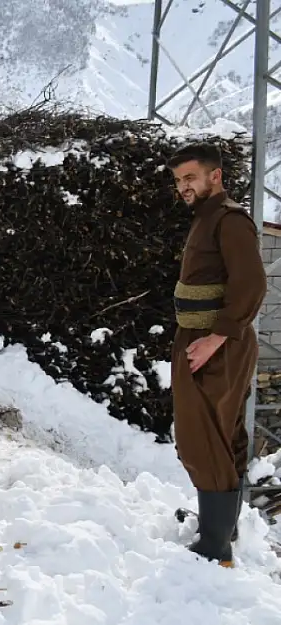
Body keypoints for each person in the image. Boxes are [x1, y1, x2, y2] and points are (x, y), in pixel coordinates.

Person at [168, 142, 266, 568]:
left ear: (215, 175)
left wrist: (216, 338)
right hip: (202, 337)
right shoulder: (205, 219)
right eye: (178, 181)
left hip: (217, 344)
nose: (182, 187)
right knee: (222, 435)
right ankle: (224, 531)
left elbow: (251, 284)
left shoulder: (230, 221)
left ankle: (214, 547)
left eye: (190, 177)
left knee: (200, 437)